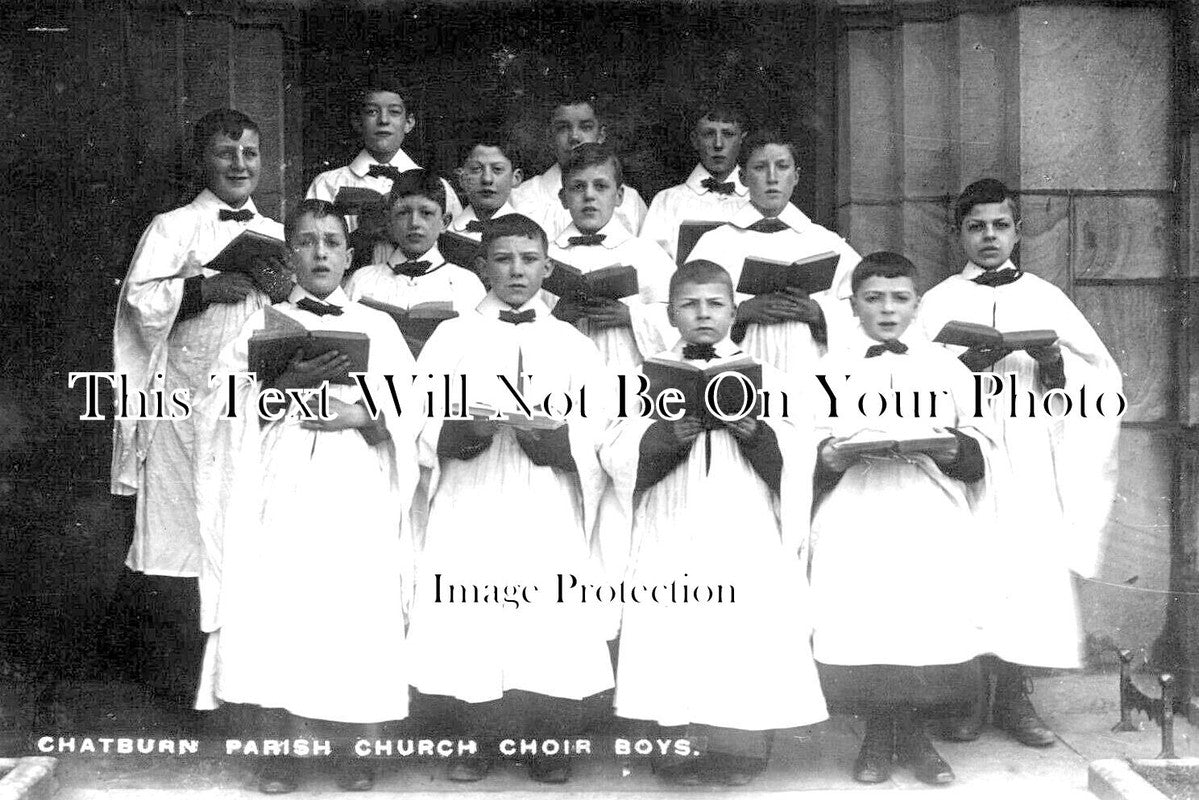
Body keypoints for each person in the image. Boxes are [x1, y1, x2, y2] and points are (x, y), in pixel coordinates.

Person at [193, 199, 417, 793]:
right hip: (281, 474)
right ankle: (281, 749)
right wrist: (281, 386)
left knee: (350, 601)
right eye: (307, 242)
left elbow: (412, 411)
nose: (320, 252)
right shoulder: (255, 326)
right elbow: (215, 410)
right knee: (281, 600)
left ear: (349, 255)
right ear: (289, 254)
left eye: (332, 242)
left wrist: (361, 414)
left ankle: (352, 746)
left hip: (353, 479)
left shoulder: (379, 327)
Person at [405, 213, 614, 785]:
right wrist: (456, 433)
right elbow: (415, 419)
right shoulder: (452, 337)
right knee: (472, 605)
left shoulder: (572, 344)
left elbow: (601, 426)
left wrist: (560, 441)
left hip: (543, 494)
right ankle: (476, 737)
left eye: (528, 260)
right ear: (482, 267)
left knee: (546, 608)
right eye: (503, 259)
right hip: (471, 494)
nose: (517, 270)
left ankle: (549, 739)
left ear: (548, 267)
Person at [599, 260, 826, 786]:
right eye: (690, 304)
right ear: (672, 313)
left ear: (732, 310)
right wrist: (660, 438)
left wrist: (757, 434)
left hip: (739, 517)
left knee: (742, 626)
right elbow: (613, 448)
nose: (703, 314)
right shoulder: (642, 377)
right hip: (671, 519)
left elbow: (799, 451)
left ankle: (741, 740)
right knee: (673, 623)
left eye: (715, 304)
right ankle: (676, 740)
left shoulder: (770, 378)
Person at [917, 178, 1122, 747]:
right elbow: (909, 381)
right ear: (960, 232)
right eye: (977, 226)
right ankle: (970, 698)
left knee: (1026, 573)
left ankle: (1015, 697)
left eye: (1000, 226)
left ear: (1017, 231)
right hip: (968, 455)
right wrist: (964, 368)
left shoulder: (1047, 298)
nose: (989, 237)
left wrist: (1053, 361)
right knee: (969, 568)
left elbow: (1100, 378)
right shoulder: (937, 301)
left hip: (1031, 450)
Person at [111, 110, 289, 705]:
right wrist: (202, 288)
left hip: (248, 402)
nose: (240, 165)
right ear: (203, 161)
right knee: (182, 530)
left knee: (241, 525)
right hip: (183, 403)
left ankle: (239, 684)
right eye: (226, 154)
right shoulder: (173, 225)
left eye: (251, 154)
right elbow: (138, 303)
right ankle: (177, 689)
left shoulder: (275, 230)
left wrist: (279, 286)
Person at [811, 252, 992, 785]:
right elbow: (804, 443)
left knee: (920, 622)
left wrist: (948, 446)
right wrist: (830, 455)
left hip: (924, 509)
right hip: (857, 509)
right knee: (869, 620)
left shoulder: (944, 367)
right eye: (873, 298)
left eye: (899, 298)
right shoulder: (829, 368)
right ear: (854, 305)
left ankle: (915, 738)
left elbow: (983, 445)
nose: (886, 309)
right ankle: (877, 736)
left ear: (917, 304)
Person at [687, 129, 860, 373]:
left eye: (782, 166)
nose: (772, 177)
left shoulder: (826, 242)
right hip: (741, 365)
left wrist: (819, 312)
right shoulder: (715, 243)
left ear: (796, 176)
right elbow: (687, 307)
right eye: (759, 168)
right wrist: (741, 311)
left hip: (810, 366)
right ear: (743, 177)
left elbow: (862, 304)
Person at [547, 142, 675, 370]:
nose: (589, 196)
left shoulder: (647, 254)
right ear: (563, 198)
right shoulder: (545, 256)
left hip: (625, 376)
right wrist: (555, 316)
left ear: (619, 195)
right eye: (577, 187)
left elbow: (676, 319)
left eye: (600, 186)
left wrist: (631, 316)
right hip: (561, 375)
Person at [306, 81, 462, 267]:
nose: (383, 120)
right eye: (372, 112)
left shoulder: (438, 185)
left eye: (394, 112)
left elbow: (457, 248)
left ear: (409, 122)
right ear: (357, 121)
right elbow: (311, 244)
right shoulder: (328, 184)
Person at [344, 169, 485, 316]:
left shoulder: (466, 285)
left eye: (426, 213)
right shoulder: (362, 281)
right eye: (403, 213)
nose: (414, 223)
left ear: (444, 222)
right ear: (389, 220)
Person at [510, 95, 647, 238]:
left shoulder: (630, 201)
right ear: (550, 138)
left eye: (586, 127)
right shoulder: (522, 198)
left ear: (601, 135)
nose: (574, 137)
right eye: (563, 128)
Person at [640, 101, 751, 261]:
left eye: (728, 134)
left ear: (742, 139)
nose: (718, 144)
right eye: (708, 134)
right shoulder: (667, 201)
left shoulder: (759, 200)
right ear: (694, 140)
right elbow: (651, 264)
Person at [448, 139, 523, 241]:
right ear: (462, 179)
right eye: (476, 169)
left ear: (516, 178)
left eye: (497, 169)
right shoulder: (445, 234)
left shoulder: (530, 236)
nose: (487, 179)